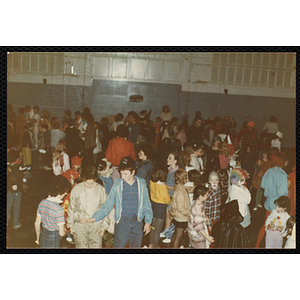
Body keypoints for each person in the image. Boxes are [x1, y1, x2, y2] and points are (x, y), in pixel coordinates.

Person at [86, 156, 153, 249]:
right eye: (121, 173)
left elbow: (147, 204)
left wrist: (148, 222)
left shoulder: (141, 184)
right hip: (122, 222)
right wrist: (95, 217)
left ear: (133, 172)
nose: (122, 176)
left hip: (137, 222)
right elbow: (108, 205)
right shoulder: (117, 185)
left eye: (125, 174)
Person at [66, 165, 111, 248]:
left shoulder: (101, 190)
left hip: (96, 226)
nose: (89, 186)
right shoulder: (76, 189)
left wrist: (104, 226)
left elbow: (105, 209)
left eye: (92, 183)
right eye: (87, 183)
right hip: (80, 225)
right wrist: (70, 224)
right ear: (82, 179)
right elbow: (71, 208)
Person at [255, 152, 290, 248]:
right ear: (285, 162)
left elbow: (262, 185)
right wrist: (288, 186)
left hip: (268, 202)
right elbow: (282, 194)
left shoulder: (269, 171)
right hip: (278, 205)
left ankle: (257, 245)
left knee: (266, 224)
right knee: (279, 226)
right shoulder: (283, 176)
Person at [34, 175, 72, 248]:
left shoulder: (42, 202)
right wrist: (66, 233)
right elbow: (61, 233)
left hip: (43, 234)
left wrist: (38, 238)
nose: (66, 194)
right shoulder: (59, 209)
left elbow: (37, 223)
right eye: (65, 192)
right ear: (61, 192)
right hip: (53, 238)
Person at [149, 164, 171, 248]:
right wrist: (169, 201)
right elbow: (167, 200)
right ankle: (154, 246)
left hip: (153, 205)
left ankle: (151, 243)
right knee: (158, 229)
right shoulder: (163, 186)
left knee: (153, 227)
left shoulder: (152, 182)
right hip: (161, 207)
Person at [187, 184, 214, 248]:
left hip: (192, 232)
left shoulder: (198, 202)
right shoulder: (197, 209)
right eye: (206, 195)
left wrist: (205, 217)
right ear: (200, 196)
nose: (207, 196)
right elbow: (198, 226)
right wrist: (207, 237)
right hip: (197, 236)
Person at [169, 169, 190, 248]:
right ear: (183, 179)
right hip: (181, 217)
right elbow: (181, 208)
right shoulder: (180, 191)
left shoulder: (177, 186)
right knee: (178, 237)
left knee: (176, 234)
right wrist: (189, 213)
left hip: (177, 216)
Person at [7, 149, 23, 229]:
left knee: (8, 205)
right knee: (16, 206)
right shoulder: (17, 167)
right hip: (17, 189)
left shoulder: (9, 166)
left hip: (9, 188)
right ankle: (15, 223)